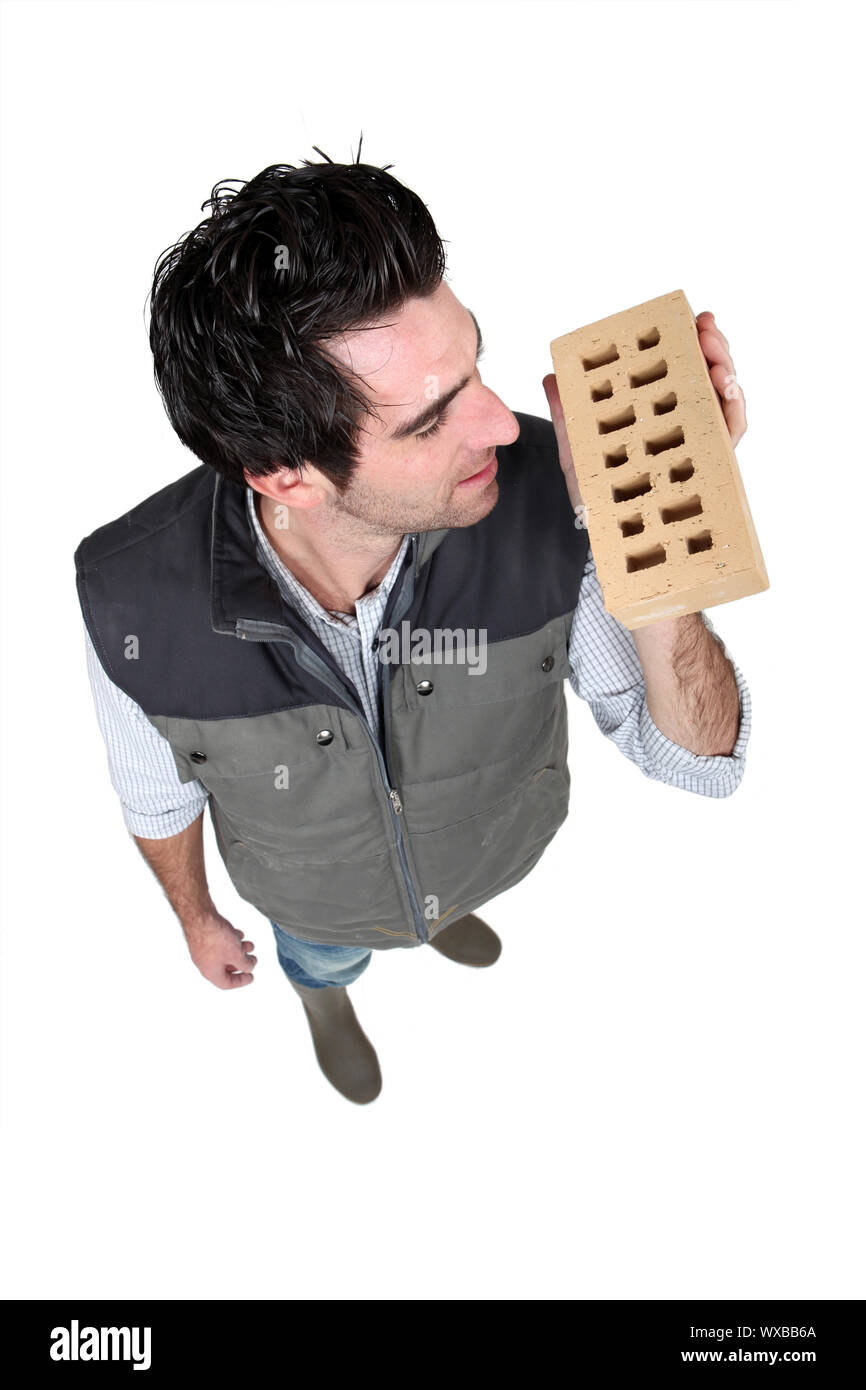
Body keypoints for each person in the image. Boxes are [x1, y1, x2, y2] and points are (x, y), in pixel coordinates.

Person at [75, 145, 751, 1106]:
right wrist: (197, 920)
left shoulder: (555, 495)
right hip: (315, 903)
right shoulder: (131, 594)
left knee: (449, 899)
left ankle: (439, 917)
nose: (505, 427)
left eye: (475, 363)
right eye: (433, 419)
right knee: (327, 955)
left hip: (486, 851)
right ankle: (326, 996)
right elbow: (155, 796)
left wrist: (659, 515)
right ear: (282, 473)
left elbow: (697, 759)